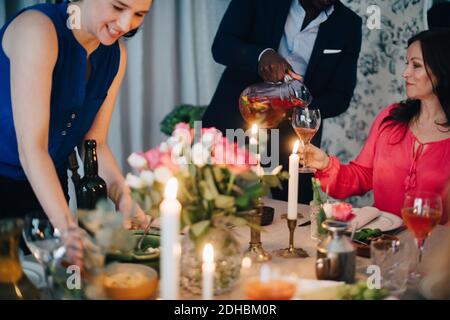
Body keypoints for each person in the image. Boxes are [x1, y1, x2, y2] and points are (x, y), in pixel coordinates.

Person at [0, 0, 153, 266]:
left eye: (139, 14)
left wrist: (122, 194)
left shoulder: (115, 53)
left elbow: (95, 143)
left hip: (47, 186)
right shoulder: (38, 30)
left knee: (47, 284)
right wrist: (68, 229)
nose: (127, 24)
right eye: (118, 7)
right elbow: (32, 149)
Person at [201, 0, 362, 204]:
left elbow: (341, 96)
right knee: (213, 201)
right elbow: (222, 46)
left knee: (295, 211)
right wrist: (261, 55)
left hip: (296, 133)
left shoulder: (349, 24)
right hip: (236, 116)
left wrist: (295, 108)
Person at [304, 29, 450, 224]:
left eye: (416, 65)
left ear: (442, 70)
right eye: (407, 64)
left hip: (432, 247)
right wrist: (326, 165)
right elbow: (363, 175)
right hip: (381, 241)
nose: (405, 73)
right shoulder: (391, 117)